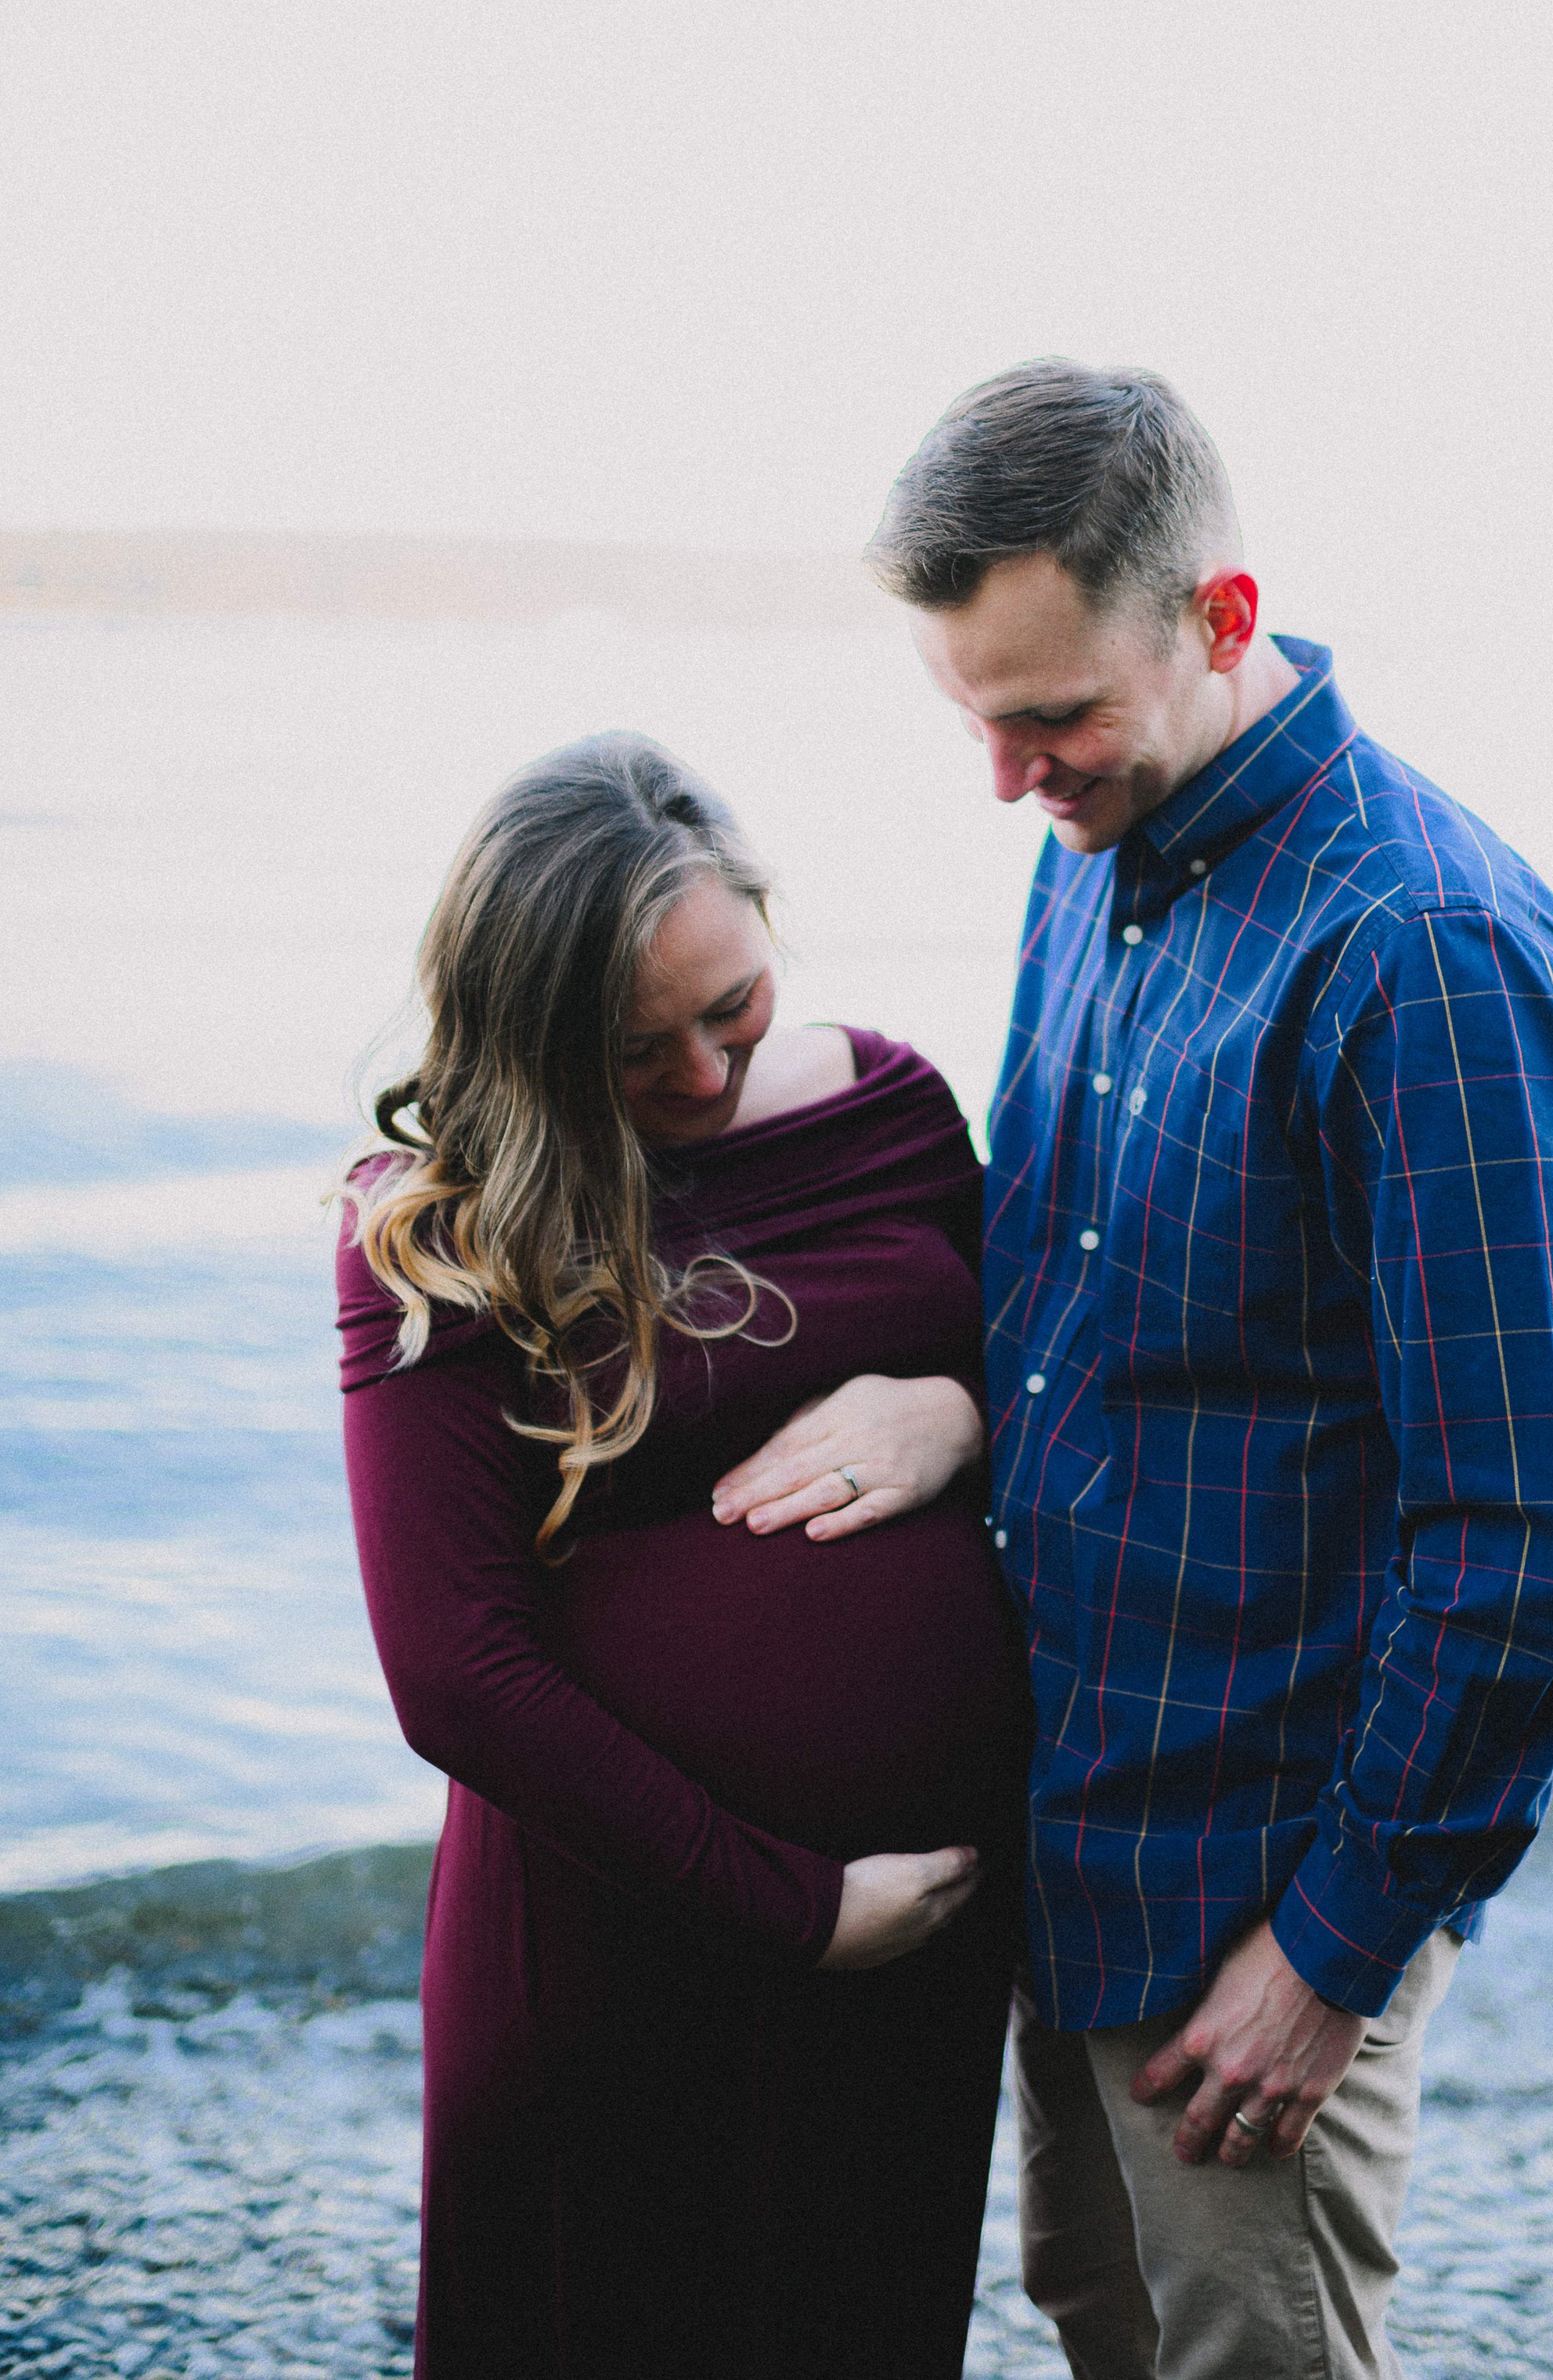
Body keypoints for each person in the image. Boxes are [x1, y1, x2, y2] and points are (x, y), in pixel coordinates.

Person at [720, 359, 1553, 2380]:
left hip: (1262, 1895)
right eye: (973, 716)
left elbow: (1525, 1541)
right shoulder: (1091, 847)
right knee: (1099, 2328)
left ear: (1221, 619)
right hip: (1075, 1836)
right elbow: (1079, 1294)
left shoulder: (1425, 953)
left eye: (1048, 715)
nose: (1008, 773)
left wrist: (1328, 1954)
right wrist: (951, 1399)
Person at [333, 732, 1031, 2380]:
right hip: (619, 1935)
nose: (707, 1079)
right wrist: (793, 1907)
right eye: (638, 1053)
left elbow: (1065, 1373)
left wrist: (957, 1413)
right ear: (530, 1033)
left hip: (909, 1945)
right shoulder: (437, 1231)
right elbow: (455, 1672)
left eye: (732, 1011)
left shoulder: (890, 1105)